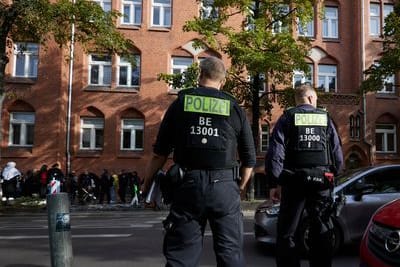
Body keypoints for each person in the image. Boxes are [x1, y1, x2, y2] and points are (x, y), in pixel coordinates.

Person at [143, 56, 256, 267]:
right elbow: (249, 159)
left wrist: (147, 186)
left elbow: (159, 154)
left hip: (188, 186)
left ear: (199, 75)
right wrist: (238, 187)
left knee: (181, 256)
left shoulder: (180, 105)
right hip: (225, 186)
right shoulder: (234, 108)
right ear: (223, 81)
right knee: (230, 254)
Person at [265, 84, 344, 267]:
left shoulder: (287, 117)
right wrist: (336, 175)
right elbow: (337, 152)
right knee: (322, 229)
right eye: (315, 99)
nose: (316, 102)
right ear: (309, 98)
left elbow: (275, 153)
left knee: (287, 232)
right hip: (321, 182)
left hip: (294, 182)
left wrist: (274, 184)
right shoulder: (325, 118)